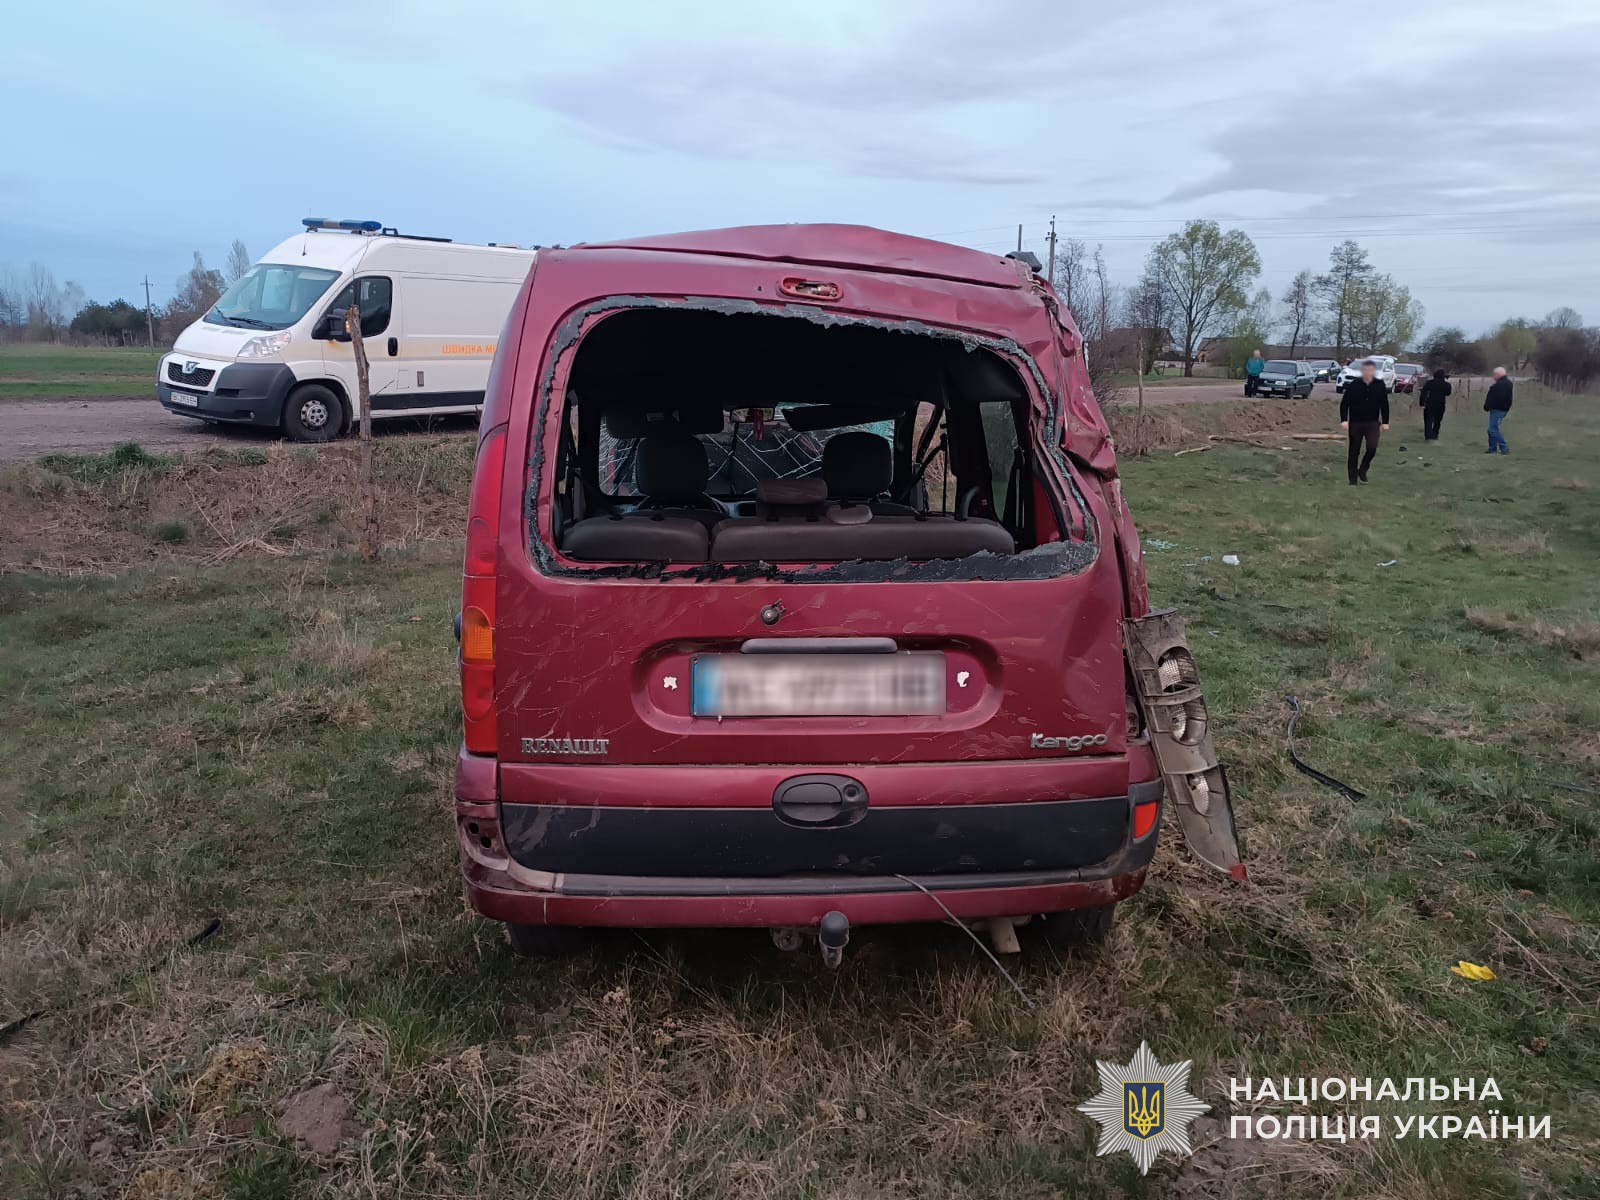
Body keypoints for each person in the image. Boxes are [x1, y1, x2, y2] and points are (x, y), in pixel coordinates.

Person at [1339, 359, 1390, 485]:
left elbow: (1384, 404)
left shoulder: (1379, 385)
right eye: (1365, 370)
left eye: (1370, 370)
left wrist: (1385, 422)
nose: (1368, 372)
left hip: (1372, 422)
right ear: (1362, 371)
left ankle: (1363, 469)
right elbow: (1345, 403)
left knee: (1372, 448)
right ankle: (1352, 479)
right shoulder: (1354, 384)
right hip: (1356, 422)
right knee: (1354, 451)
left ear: (1374, 371)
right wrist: (1344, 420)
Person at [1484, 367, 1513, 454]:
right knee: (1492, 429)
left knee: (1492, 429)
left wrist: (1488, 406)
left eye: (1494, 375)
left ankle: (1504, 447)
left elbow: (1496, 398)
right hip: (1500, 409)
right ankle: (1492, 448)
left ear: (1498, 375)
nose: (1493, 377)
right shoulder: (1507, 383)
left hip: (1498, 409)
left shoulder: (1499, 386)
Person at [1419, 368, 1452, 442]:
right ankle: (1435, 435)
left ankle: (1428, 436)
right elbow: (1448, 393)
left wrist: (1422, 403)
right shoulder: (1446, 385)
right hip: (1440, 405)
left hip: (1430, 404)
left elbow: (1423, 393)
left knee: (1428, 421)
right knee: (1437, 421)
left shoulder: (1429, 383)